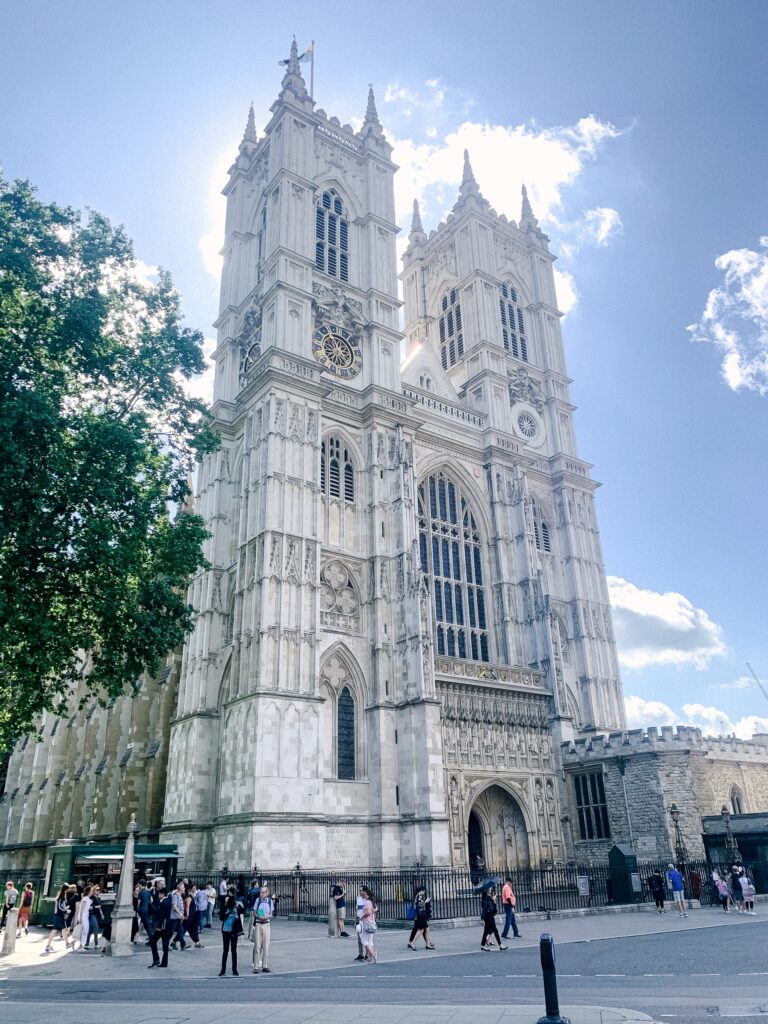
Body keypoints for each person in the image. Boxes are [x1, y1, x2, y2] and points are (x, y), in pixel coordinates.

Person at [219, 888, 244, 976]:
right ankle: (223, 969)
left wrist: (241, 905)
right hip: (226, 930)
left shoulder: (236, 906)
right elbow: (221, 917)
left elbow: (243, 911)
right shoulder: (225, 907)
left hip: (233, 930)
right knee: (225, 950)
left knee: (234, 950)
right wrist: (227, 909)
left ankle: (234, 969)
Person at [148, 881, 173, 968]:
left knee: (153, 941)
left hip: (162, 926)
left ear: (162, 894)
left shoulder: (163, 903)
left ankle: (156, 959)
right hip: (167, 926)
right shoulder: (168, 901)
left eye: (159, 894)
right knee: (165, 945)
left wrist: (158, 926)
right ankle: (163, 962)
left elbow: (161, 915)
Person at [251, 884, 274, 974]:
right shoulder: (258, 900)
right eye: (261, 892)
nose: (262, 894)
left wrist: (267, 917)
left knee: (266, 945)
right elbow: (254, 912)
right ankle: (256, 966)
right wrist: (259, 917)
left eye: (264, 892)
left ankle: (265, 965)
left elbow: (271, 914)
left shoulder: (269, 901)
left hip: (266, 924)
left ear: (267, 892)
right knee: (257, 945)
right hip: (259, 924)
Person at [407, 885, 434, 949]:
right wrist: (426, 902)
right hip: (420, 915)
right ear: (421, 891)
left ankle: (428, 943)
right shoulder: (419, 897)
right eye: (424, 891)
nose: (424, 893)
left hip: (420, 915)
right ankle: (413, 943)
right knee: (421, 930)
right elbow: (419, 906)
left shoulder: (417, 896)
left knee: (424, 929)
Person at [480, 885, 507, 951]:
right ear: (486, 890)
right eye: (489, 888)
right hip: (488, 917)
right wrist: (482, 918)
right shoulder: (486, 899)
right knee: (495, 930)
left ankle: (483, 945)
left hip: (490, 917)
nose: (490, 889)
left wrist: (494, 901)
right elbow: (485, 909)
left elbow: (495, 911)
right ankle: (500, 945)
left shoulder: (489, 898)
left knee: (486, 932)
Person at [44, 884, 70, 952]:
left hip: (59, 915)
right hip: (59, 915)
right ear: (66, 890)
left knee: (64, 929)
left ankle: (67, 943)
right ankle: (48, 945)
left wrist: (65, 908)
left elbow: (61, 907)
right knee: (55, 930)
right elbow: (60, 907)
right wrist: (66, 910)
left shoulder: (61, 897)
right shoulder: (61, 897)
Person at [357, 885, 377, 964]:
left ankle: (373, 954)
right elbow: (374, 909)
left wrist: (362, 917)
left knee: (364, 940)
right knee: (370, 941)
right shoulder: (370, 901)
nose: (361, 892)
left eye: (362, 891)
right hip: (371, 922)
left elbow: (368, 912)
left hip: (366, 922)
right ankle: (371, 958)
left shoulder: (367, 902)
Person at [170, 881, 187, 949]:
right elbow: (174, 906)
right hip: (174, 918)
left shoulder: (180, 896)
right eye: (184, 887)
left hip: (178, 918)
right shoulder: (176, 896)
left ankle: (183, 944)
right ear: (180, 889)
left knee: (180, 931)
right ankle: (167, 944)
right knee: (171, 932)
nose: (185, 888)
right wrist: (180, 914)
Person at [79, 885, 93, 949]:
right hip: (84, 916)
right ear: (88, 891)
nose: (92, 892)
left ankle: (82, 944)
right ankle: (82, 944)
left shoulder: (86, 898)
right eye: (91, 891)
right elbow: (82, 908)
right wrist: (81, 917)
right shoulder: (85, 898)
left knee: (84, 930)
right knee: (85, 930)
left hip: (85, 915)